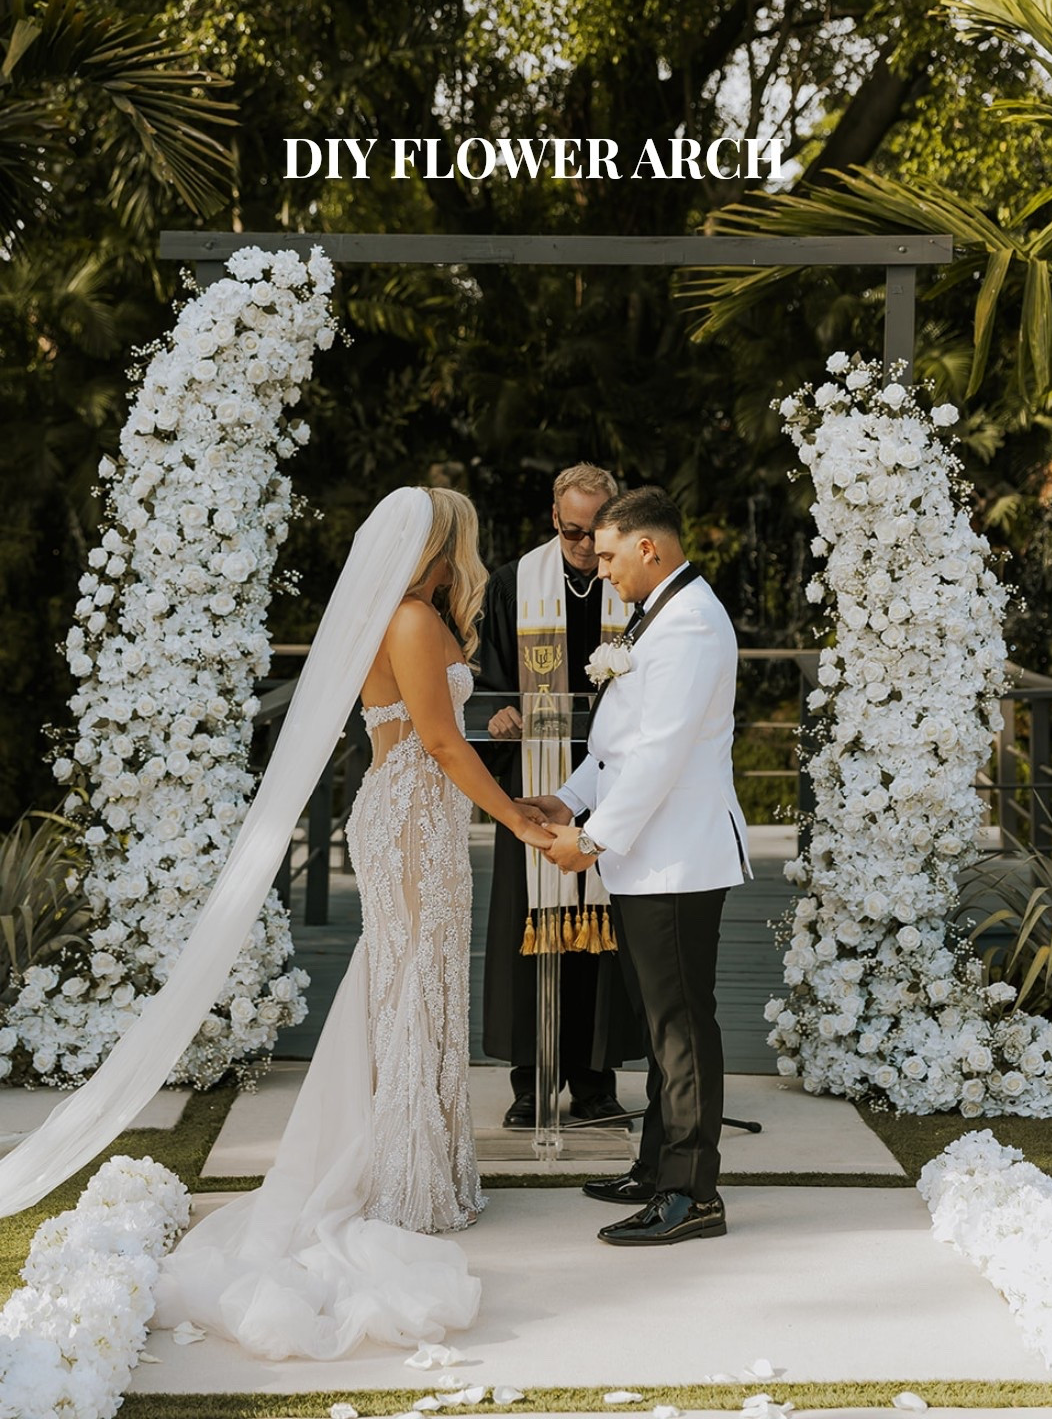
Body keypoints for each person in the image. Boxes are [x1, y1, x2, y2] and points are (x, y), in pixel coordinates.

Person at [0, 487, 550, 1358]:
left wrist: (513, 799)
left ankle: (428, 1170)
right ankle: (403, 1183)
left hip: (428, 819)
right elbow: (438, 746)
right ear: (445, 541)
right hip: (407, 819)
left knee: (425, 979)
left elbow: (443, 741)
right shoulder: (409, 621)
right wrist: (519, 825)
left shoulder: (420, 616)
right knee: (407, 981)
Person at [522, 485, 751, 1247]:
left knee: (682, 1028)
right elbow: (616, 743)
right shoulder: (654, 615)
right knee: (662, 1029)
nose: (601, 567)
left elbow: (660, 754)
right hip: (647, 858)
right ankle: (657, 1168)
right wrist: (564, 799)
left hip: (678, 860)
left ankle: (692, 1195)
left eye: (612, 554)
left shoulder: (687, 625)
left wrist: (588, 841)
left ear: (649, 547)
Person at [477, 464, 643, 1128]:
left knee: (605, 937)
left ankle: (596, 1082)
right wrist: (498, 713)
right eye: (571, 530)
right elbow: (484, 676)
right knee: (533, 930)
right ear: (554, 518)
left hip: (614, 780)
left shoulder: (629, 584)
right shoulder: (514, 583)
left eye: (593, 531)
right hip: (536, 783)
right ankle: (531, 1082)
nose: (580, 544)